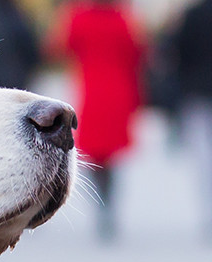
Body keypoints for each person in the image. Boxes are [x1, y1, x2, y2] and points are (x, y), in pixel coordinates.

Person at [47, 0, 144, 240]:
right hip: (119, 90)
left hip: (92, 90)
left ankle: (102, 200)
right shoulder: (124, 19)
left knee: (95, 151)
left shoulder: (79, 18)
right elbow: (138, 54)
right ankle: (109, 200)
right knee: (109, 153)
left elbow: (58, 49)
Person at [174, 0, 212, 240]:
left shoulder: (192, 16)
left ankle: (208, 211)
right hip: (196, 92)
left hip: (196, 92)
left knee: (203, 158)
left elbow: (179, 53)